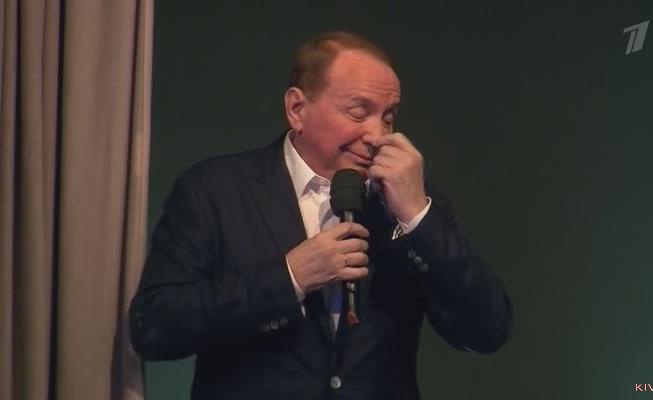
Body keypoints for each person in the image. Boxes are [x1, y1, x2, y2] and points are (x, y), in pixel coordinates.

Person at [130, 31, 512, 400]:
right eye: (359, 111)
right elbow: (155, 327)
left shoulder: (410, 203)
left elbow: (486, 331)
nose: (377, 134)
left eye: (388, 117)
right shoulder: (215, 190)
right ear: (297, 109)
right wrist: (289, 277)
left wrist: (417, 217)